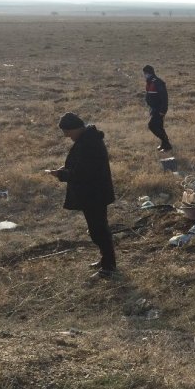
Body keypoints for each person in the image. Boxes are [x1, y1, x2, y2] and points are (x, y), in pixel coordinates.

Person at [46, 112, 117, 278]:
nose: (66, 135)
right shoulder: (86, 139)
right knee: (98, 229)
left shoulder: (89, 144)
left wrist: (61, 175)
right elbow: (81, 167)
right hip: (93, 193)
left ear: (76, 128)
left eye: (67, 131)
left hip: (94, 194)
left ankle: (108, 267)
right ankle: (106, 260)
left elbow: (83, 173)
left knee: (99, 230)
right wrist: (64, 171)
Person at [142, 64, 172, 152]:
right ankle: (164, 144)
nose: (144, 75)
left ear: (149, 73)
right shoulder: (150, 82)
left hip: (159, 109)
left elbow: (164, 97)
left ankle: (166, 143)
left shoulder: (157, 82)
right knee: (159, 126)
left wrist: (163, 110)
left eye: (145, 73)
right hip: (154, 108)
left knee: (152, 126)